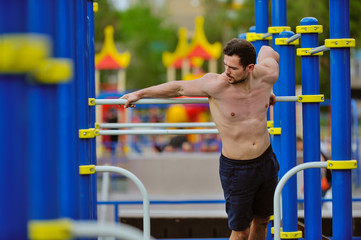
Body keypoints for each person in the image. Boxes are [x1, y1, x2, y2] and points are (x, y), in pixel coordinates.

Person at [120, 38, 280, 240]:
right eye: (225, 65)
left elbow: (268, 50)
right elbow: (178, 88)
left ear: (250, 67)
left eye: (232, 68)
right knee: (240, 232)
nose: (226, 71)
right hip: (237, 169)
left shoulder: (267, 75)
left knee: (263, 220)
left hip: (265, 161)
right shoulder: (216, 85)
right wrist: (139, 94)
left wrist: (269, 92)